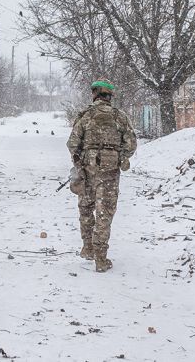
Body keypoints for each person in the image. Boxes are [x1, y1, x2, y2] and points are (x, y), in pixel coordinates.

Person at [66, 79, 137, 272]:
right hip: (109, 171)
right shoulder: (119, 116)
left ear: (94, 94)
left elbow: (72, 143)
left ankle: (88, 248)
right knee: (104, 212)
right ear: (110, 96)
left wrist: (80, 160)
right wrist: (120, 156)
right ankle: (101, 258)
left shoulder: (85, 115)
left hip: (87, 170)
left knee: (86, 209)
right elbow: (131, 143)